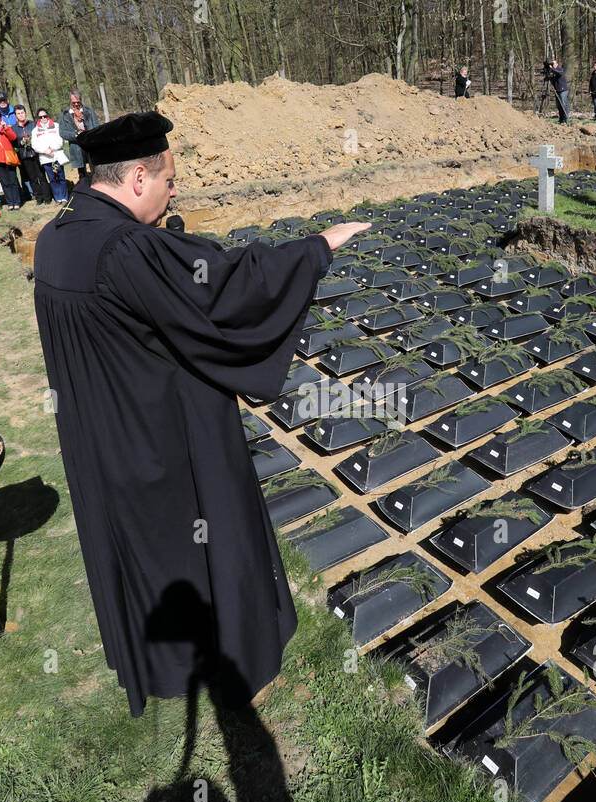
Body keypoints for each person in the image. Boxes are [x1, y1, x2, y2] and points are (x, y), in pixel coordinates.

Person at [32, 111, 370, 718]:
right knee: (210, 543)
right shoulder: (126, 248)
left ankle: (163, 663)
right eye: (169, 181)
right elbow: (223, 287)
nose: (174, 191)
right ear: (137, 177)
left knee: (143, 553)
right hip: (167, 441)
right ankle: (241, 665)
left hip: (99, 440)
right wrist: (316, 248)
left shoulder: (56, 237)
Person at [30, 108, 69, 203]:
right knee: (52, 179)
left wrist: (52, 149)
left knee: (61, 177)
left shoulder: (56, 126)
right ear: (38, 118)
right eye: (40, 117)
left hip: (57, 156)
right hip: (45, 158)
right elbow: (34, 145)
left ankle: (64, 197)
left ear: (48, 116)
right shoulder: (35, 130)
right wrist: (46, 151)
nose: (43, 118)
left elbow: (60, 141)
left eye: (45, 116)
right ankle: (58, 198)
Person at [58, 91, 99, 180]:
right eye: (74, 103)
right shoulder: (64, 115)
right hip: (76, 146)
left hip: (90, 145)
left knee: (96, 171)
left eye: (78, 102)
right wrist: (74, 135)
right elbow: (62, 132)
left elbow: (97, 126)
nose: (76, 104)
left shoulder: (89, 111)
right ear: (70, 101)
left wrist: (92, 135)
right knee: (82, 175)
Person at [14, 104, 49, 204]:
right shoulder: (14, 128)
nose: (21, 115)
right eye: (18, 113)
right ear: (16, 116)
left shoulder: (33, 124)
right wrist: (21, 142)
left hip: (36, 154)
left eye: (22, 113)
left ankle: (47, 197)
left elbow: (40, 136)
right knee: (32, 178)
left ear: (25, 113)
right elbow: (14, 143)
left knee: (41, 176)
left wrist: (32, 140)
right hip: (25, 156)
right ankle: (39, 198)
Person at [548, 59, 569, 124]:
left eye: (553, 64)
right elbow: (552, 79)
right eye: (551, 64)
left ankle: (566, 120)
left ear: (557, 64)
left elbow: (558, 73)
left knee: (563, 104)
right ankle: (561, 119)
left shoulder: (559, 69)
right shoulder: (554, 72)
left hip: (563, 90)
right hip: (557, 90)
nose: (552, 65)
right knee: (559, 105)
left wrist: (552, 69)